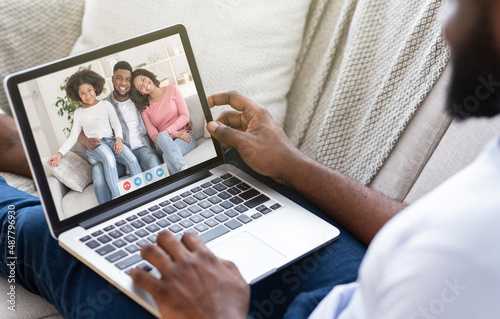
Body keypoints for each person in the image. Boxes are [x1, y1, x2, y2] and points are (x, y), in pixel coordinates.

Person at [1, 0, 499, 318]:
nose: (443, 18)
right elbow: (427, 230)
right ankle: (41, 160)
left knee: (52, 242)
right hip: (349, 280)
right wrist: (290, 164)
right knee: (220, 183)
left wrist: (216, 314)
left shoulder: (464, 262)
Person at [48, 68, 142, 200]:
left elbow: (116, 124)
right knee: (109, 158)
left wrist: (119, 140)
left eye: (89, 90)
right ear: (77, 95)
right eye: (82, 93)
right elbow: (74, 136)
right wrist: (59, 154)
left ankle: (142, 191)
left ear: (95, 88)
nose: (87, 95)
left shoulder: (106, 105)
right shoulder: (78, 113)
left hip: (111, 141)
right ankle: (117, 197)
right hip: (95, 146)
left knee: (132, 159)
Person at [78, 61, 162, 204]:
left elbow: (161, 103)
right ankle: (107, 214)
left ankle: (162, 203)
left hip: (141, 150)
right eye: (119, 78)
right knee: (97, 170)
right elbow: (79, 130)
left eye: (128, 79)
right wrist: (86, 141)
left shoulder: (140, 97)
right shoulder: (102, 105)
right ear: (112, 79)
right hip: (117, 156)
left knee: (153, 161)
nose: (123, 83)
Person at [131, 68, 196, 175]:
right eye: (140, 87)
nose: (144, 85)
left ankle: (181, 177)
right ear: (140, 93)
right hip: (163, 142)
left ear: (148, 76)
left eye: (143, 79)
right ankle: (183, 168)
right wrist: (175, 133)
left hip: (185, 137)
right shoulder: (145, 109)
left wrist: (170, 133)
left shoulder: (173, 90)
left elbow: (185, 117)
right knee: (161, 137)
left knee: (167, 157)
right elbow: (155, 136)